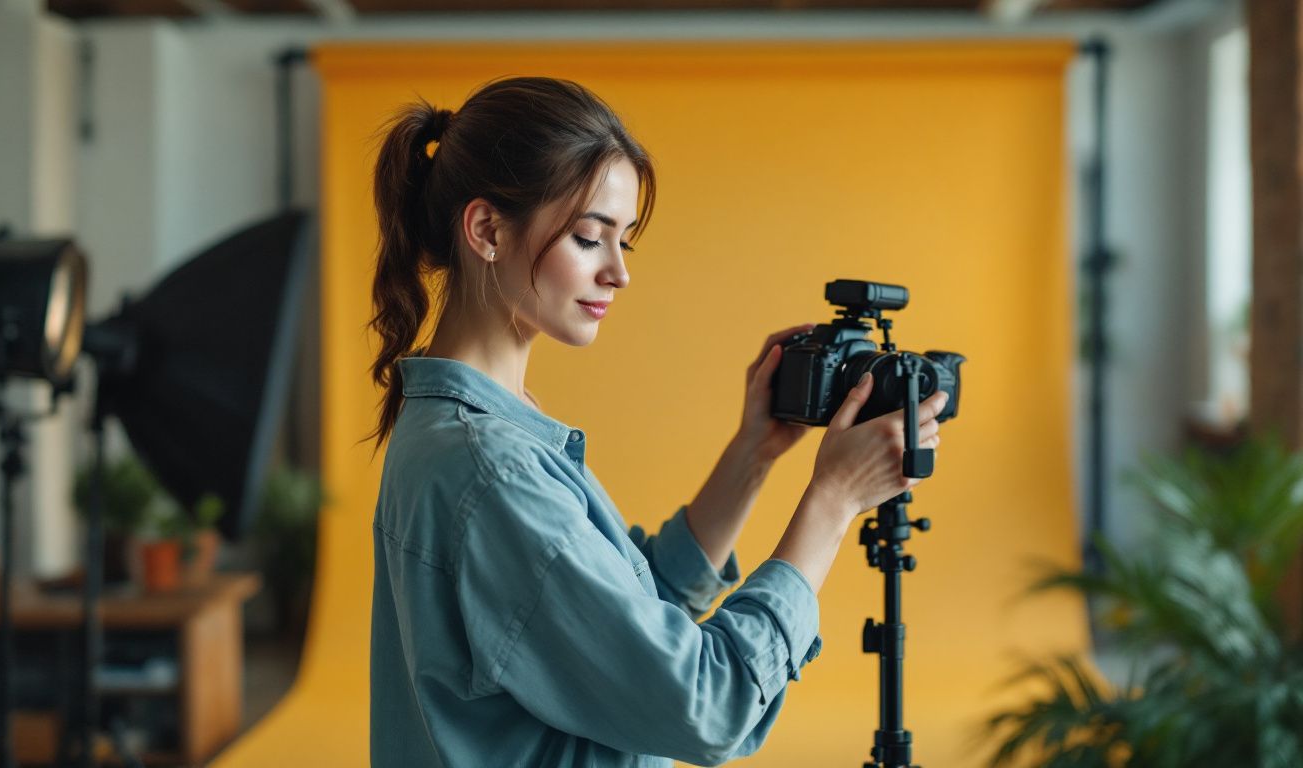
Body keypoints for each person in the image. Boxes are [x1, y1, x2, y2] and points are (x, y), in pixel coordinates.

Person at [365, 76, 948, 767]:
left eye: (625, 245)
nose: (619, 273)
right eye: (590, 238)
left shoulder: (472, 433)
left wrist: (753, 454)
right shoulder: (492, 468)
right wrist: (832, 502)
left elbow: (616, 621)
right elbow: (704, 705)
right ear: (488, 230)